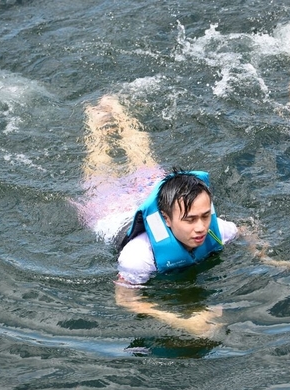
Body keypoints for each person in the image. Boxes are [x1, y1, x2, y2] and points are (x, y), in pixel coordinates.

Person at [75, 95, 237, 336]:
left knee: (143, 155)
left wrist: (269, 258)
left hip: (151, 192)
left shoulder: (219, 229)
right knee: (100, 162)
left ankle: (119, 111)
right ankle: (94, 119)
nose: (201, 227)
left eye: (205, 216)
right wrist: (181, 321)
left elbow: (246, 231)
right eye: (190, 220)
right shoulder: (138, 257)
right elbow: (125, 299)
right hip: (113, 211)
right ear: (166, 219)